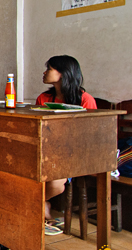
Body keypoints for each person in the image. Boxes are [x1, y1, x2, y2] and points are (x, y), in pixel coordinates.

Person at [36, 55, 97, 234]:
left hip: (73, 153)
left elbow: (92, 133)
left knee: (55, 183)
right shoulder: (44, 98)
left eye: (49, 69)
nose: (45, 72)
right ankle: (41, 204)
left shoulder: (84, 100)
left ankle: (35, 204)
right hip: (47, 149)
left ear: (63, 74)